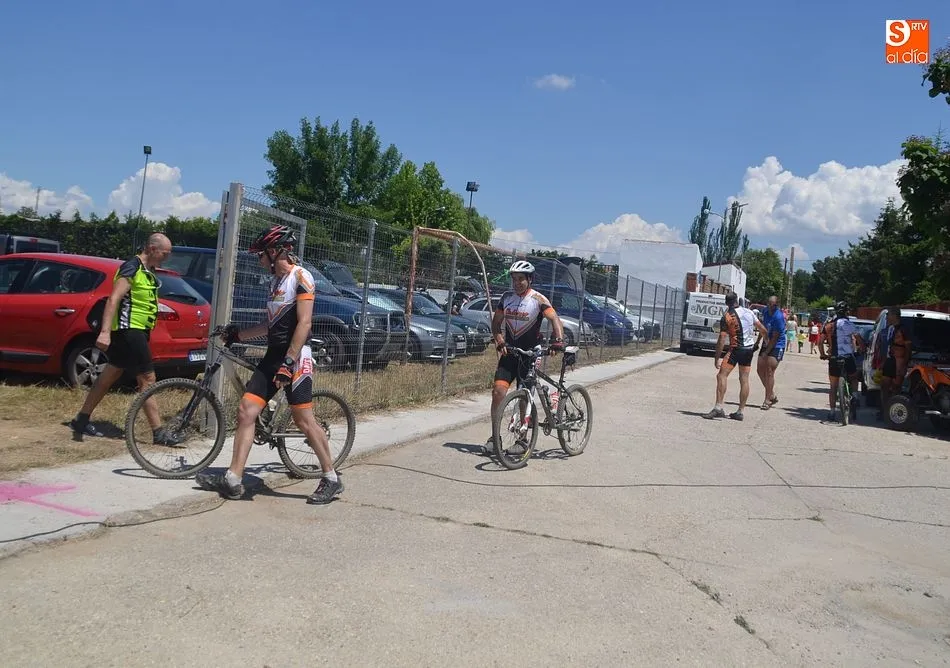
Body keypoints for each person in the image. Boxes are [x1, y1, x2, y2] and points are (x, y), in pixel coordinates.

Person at [195, 224, 341, 505]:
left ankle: (331, 478)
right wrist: (238, 335)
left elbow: (304, 323)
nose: (259, 259)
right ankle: (233, 479)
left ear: (275, 252)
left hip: (296, 357)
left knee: (303, 420)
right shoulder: (275, 283)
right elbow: (269, 325)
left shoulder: (301, 277)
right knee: (246, 411)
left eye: (261, 254)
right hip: (274, 355)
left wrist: (289, 361)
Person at [69, 233, 178, 445]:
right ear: (152, 249)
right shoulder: (131, 267)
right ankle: (158, 432)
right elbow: (114, 299)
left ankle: (81, 419)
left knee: (111, 373)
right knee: (147, 379)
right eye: (165, 253)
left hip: (138, 330)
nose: (167, 258)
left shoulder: (148, 270)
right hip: (129, 330)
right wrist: (105, 332)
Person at [487, 260, 565, 452]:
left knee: (524, 396)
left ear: (530, 279)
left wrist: (558, 341)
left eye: (521, 279)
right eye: (514, 279)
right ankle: (494, 437)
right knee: (498, 392)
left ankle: (522, 441)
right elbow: (496, 324)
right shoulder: (506, 298)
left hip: (530, 354)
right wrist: (499, 340)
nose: (517, 283)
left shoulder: (538, 299)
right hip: (510, 352)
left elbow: (554, 319)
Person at [704, 292, 768, 421]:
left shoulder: (727, 316)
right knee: (744, 380)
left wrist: (717, 357)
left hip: (735, 349)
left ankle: (718, 407)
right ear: (737, 301)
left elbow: (722, 338)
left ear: (726, 303)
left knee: (721, 375)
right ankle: (740, 411)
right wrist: (763, 347)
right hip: (748, 350)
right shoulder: (749, 312)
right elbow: (763, 330)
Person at [818, 300, 861, 422]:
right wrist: (862, 349)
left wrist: (823, 354)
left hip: (834, 357)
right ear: (846, 311)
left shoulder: (828, 326)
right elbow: (858, 339)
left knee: (833, 386)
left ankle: (832, 412)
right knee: (854, 377)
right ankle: (855, 396)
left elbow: (820, 342)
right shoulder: (849, 324)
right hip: (848, 357)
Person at [756, 296, 786, 410]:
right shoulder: (765, 311)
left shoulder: (778, 317)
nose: (770, 306)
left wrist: (767, 351)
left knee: (769, 372)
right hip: (766, 341)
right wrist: (757, 342)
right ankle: (771, 394)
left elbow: (775, 337)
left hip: (777, 344)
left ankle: (767, 400)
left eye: (773, 304)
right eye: (768, 303)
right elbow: (763, 328)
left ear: (776, 305)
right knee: (760, 370)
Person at [880, 307, 911, 415]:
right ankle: (884, 410)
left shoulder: (903, 329)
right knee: (884, 386)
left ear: (894, 315)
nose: (887, 317)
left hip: (899, 361)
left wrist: (904, 364)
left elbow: (908, 348)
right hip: (890, 360)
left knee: (896, 387)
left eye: (888, 314)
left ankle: (893, 411)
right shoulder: (890, 328)